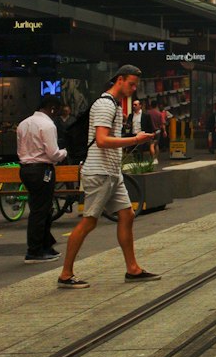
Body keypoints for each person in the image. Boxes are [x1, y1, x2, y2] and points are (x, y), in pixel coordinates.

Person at [58, 65, 159, 288]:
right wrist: (135, 140)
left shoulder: (113, 104)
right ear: (119, 80)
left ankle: (132, 269)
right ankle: (65, 274)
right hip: (99, 171)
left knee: (127, 215)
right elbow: (102, 140)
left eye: (136, 85)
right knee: (89, 222)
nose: (133, 89)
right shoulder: (105, 104)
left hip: (112, 171)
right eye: (131, 84)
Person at [17, 95, 68, 262]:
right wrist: (64, 152)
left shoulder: (23, 123)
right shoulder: (47, 125)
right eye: (57, 110)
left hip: (25, 170)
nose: (57, 113)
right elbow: (53, 153)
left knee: (41, 208)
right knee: (41, 211)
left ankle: (46, 245)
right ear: (52, 107)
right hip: (42, 170)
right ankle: (35, 250)